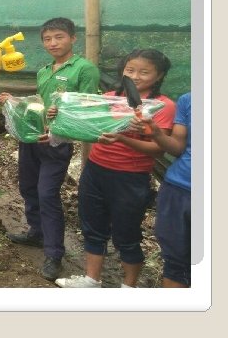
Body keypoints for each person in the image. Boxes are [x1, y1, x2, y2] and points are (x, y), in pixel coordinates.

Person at [56, 49, 176, 288]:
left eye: (144, 72)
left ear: (159, 75)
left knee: (127, 235)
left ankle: (128, 287)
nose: (135, 76)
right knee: (92, 226)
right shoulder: (110, 97)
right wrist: (60, 115)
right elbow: (88, 127)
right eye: (130, 70)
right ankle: (92, 280)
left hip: (130, 177)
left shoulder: (162, 106)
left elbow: (157, 150)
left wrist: (124, 138)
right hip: (96, 170)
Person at [0, 17, 100, 282]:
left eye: (59, 37)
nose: (53, 43)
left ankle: (54, 252)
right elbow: (40, 104)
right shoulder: (44, 71)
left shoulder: (84, 69)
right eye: (47, 39)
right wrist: (15, 101)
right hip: (32, 139)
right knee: (28, 188)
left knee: (47, 194)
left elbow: (85, 108)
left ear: (72, 38)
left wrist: (58, 132)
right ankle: (36, 232)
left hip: (56, 144)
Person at [137, 92, 191, 288]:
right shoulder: (189, 99)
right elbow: (177, 147)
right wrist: (156, 133)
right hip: (179, 187)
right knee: (175, 261)